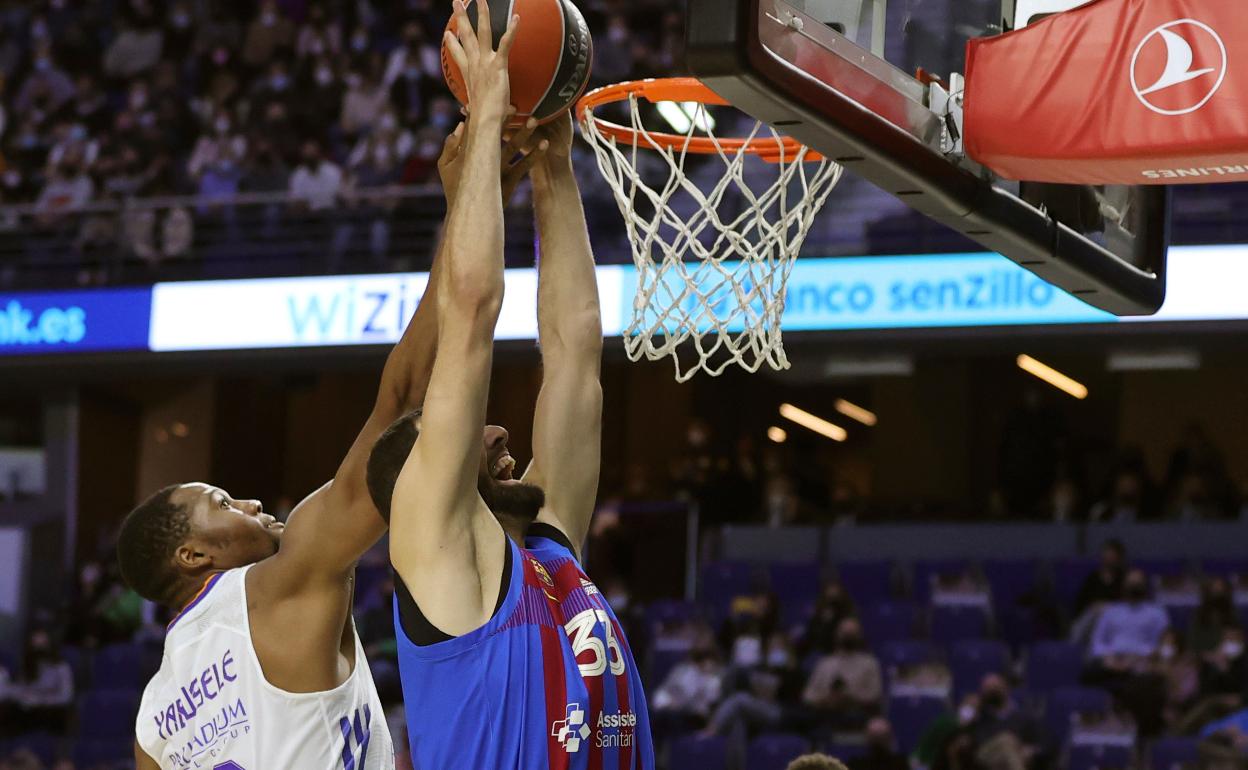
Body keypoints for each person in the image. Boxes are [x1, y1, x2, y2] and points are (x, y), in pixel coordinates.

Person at [116, 91, 543, 769]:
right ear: (194, 556)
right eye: (222, 504)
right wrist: (465, 205)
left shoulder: (151, 723)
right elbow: (399, 406)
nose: (252, 503)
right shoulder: (278, 586)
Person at [366, 2, 654, 768]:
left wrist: (554, 171)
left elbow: (574, 352)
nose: (497, 431)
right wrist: (488, 113)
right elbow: (469, 316)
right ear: (420, 486)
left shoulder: (548, 554)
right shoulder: (435, 551)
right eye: (465, 432)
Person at [803, 618, 883, 730]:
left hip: (856, 713)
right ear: (836, 635)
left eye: (851, 633)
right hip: (824, 713)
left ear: (859, 635)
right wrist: (826, 699)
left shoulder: (869, 663)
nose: (848, 636)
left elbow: (874, 695)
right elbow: (808, 696)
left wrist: (849, 697)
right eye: (845, 633)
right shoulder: (825, 663)